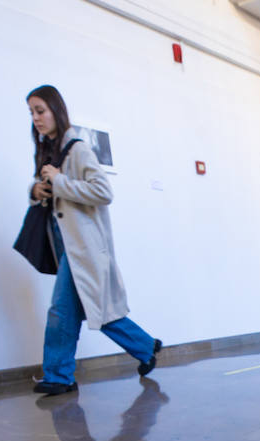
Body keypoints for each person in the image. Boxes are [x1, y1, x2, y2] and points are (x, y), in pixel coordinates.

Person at [26, 85, 161, 396]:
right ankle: (145, 346)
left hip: (82, 249)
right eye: (32, 112)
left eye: (40, 110)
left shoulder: (77, 149)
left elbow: (104, 192)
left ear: (56, 110)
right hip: (66, 248)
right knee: (88, 311)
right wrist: (37, 191)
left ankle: (59, 376)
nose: (35, 118)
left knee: (62, 311)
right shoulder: (51, 151)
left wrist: (59, 181)